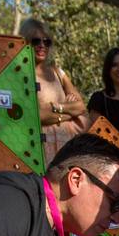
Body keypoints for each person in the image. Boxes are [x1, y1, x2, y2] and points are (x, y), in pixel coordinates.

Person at [23, 19, 87, 161]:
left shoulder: (58, 72)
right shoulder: (21, 75)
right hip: (40, 149)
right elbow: (35, 116)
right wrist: (68, 111)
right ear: (25, 42)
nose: (42, 45)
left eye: (46, 42)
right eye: (36, 41)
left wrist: (54, 108)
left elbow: (80, 107)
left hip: (68, 147)